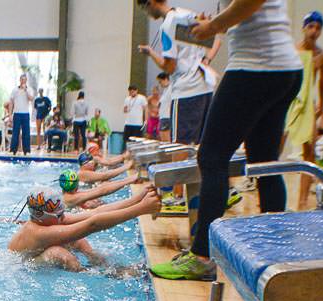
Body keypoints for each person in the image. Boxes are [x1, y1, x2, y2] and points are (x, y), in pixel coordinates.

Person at [148, 0, 303, 281]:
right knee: (263, 163)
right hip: (284, 68)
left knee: (211, 157)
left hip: (256, 67)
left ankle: (202, 256)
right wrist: (219, 20)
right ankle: (273, 255)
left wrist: (214, 25)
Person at [138, 0, 221, 212]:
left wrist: (150, 53)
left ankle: (177, 198)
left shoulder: (168, 25)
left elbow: (169, 65)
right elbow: (215, 40)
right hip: (205, 85)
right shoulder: (188, 14)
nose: (146, 12)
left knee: (180, 146)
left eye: (144, 8)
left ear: (149, 3)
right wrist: (204, 63)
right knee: (199, 147)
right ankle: (208, 196)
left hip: (185, 90)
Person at [9, 185, 159, 271]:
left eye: (62, 213)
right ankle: (91, 274)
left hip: (35, 256)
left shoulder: (47, 220)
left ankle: (103, 265)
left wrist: (137, 199)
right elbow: (92, 225)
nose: (62, 217)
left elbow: (95, 213)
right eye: (58, 215)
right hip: (21, 266)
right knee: (58, 253)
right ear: (41, 215)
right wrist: (141, 209)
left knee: (77, 240)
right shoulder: (38, 232)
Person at [285, 10, 323, 209]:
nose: (314, 31)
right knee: (276, 145)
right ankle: (265, 192)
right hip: (289, 100)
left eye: (318, 28)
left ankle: (302, 200)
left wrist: (321, 102)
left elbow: (321, 82)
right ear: (304, 28)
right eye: (311, 26)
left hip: (307, 104)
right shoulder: (293, 51)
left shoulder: (322, 56)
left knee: (309, 151)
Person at [59, 168, 140, 209]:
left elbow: (98, 190)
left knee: (94, 202)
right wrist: (128, 180)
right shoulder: (71, 198)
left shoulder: (68, 196)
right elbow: (102, 191)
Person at [8, 74, 34, 155]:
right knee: (15, 132)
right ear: (20, 80)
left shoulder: (29, 89)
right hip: (17, 113)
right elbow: (11, 102)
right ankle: (13, 149)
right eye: (22, 79)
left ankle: (26, 150)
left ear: (26, 81)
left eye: (25, 79)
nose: (23, 81)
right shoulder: (15, 90)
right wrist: (10, 114)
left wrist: (25, 90)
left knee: (26, 132)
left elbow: (31, 98)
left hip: (25, 113)